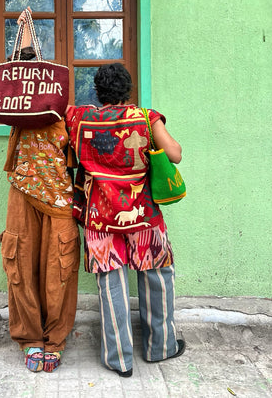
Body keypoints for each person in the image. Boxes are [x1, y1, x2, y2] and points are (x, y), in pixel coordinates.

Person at [65, 62, 185, 377]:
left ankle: (120, 359)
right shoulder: (146, 118)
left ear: (99, 92)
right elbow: (174, 154)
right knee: (158, 276)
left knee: (110, 282)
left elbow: (56, 111)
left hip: (101, 218)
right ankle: (161, 347)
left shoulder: (81, 119)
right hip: (144, 215)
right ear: (128, 91)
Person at [0, 9, 80, 373]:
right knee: (19, 264)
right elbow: (16, 72)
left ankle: (55, 339)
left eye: (35, 69)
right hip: (23, 191)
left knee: (58, 271)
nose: (28, 74)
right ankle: (30, 338)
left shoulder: (65, 109)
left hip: (60, 199)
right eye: (22, 68)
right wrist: (25, 32)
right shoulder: (17, 106)